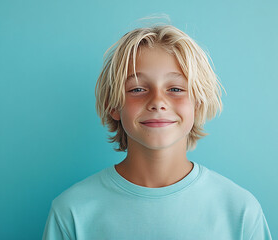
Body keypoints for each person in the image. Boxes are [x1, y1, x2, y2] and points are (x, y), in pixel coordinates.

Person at [42, 22, 272, 239]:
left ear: (198, 103)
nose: (158, 102)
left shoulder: (240, 210)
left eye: (175, 88)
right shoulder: (71, 212)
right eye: (138, 89)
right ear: (113, 105)